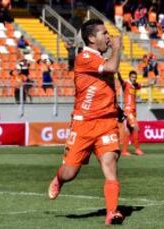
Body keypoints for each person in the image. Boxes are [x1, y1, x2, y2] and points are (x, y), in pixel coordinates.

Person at [48, 19, 124, 225]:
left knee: (109, 164)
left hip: (106, 122)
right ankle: (59, 178)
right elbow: (112, 67)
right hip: (83, 124)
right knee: (70, 172)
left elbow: (104, 89)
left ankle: (111, 213)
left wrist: (118, 110)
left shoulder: (100, 59)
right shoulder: (85, 58)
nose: (108, 37)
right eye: (104, 33)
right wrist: (117, 48)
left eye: (108, 33)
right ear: (91, 38)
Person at [118, 71, 144, 156]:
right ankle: (137, 149)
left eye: (135, 77)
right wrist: (118, 72)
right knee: (136, 127)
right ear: (129, 77)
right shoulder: (125, 83)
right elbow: (120, 80)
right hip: (128, 109)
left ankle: (124, 151)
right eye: (132, 77)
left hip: (134, 110)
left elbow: (142, 85)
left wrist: (152, 83)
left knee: (128, 131)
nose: (134, 79)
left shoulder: (135, 85)